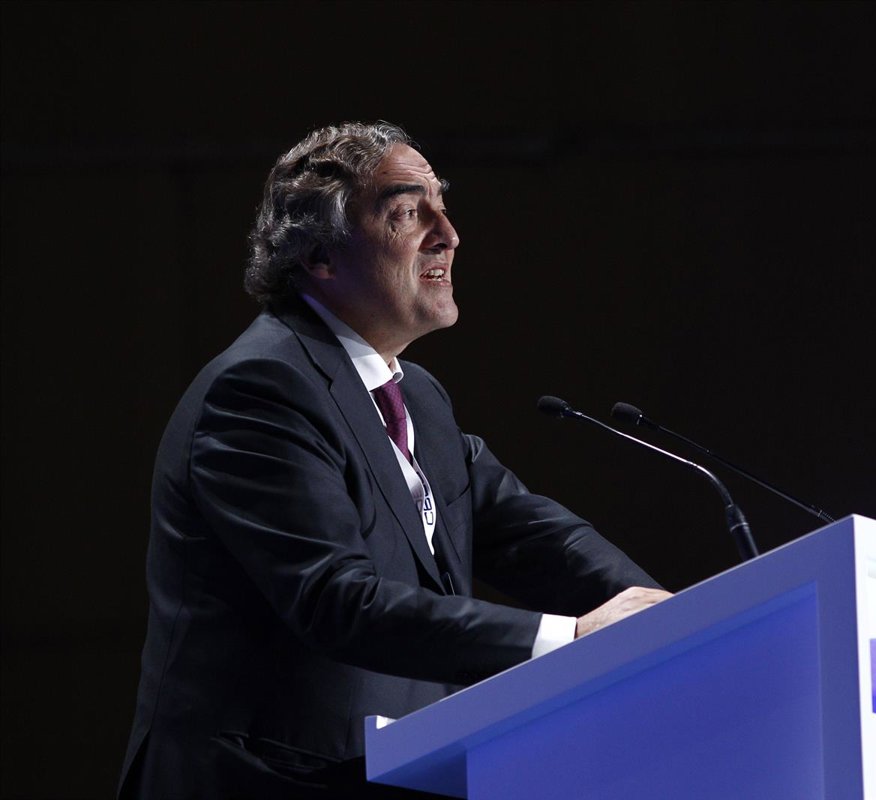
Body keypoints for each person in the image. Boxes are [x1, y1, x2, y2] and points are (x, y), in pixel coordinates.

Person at [118, 121, 669, 799]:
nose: (449, 235)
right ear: (320, 255)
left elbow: (527, 532)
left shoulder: (417, 397)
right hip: (259, 778)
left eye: (443, 205)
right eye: (409, 212)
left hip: (394, 767)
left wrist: (665, 614)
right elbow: (336, 600)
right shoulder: (261, 389)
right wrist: (575, 638)